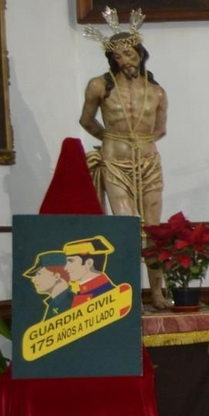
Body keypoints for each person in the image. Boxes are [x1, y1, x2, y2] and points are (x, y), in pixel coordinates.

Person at [79, 16, 169, 307]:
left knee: (154, 229)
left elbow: (160, 129)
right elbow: (86, 120)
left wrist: (141, 142)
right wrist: (111, 138)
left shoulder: (156, 92)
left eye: (129, 54)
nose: (124, 61)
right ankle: (126, 293)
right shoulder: (98, 86)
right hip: (115, 162)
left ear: (140, 53)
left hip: (148, 162)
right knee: (126, 227)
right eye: (117, 56)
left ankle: (157, 292)